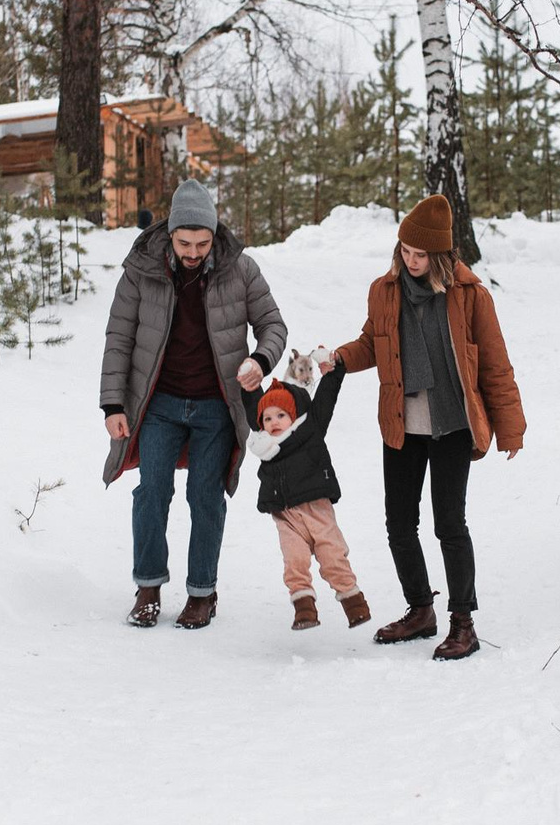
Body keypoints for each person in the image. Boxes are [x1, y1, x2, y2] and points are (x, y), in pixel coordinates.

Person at [324, 194, 524, 661]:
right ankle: (420, 610)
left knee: (449, 523)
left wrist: (509, 428)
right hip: (402, 422)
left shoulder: (470, 296)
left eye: (420, 256)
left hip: (453, 424)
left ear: (441, 257)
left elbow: (495, 365)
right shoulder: (384, 290)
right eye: (405, 253)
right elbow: (372, 342)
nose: (411, 262)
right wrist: (338, 357)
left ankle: (462, 622)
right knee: (399, 523)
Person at [99, 178, 287, 630]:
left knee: (205, 496)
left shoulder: (241, 269)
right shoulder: (141, 270)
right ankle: (147, 588)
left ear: (214, 236)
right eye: (185, 242)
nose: (194, 251)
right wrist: (112, 405)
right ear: (170, 234)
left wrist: (260, 360)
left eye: (203, 242)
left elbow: (273, 325)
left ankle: (202, 592)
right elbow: (119, 338)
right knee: (151, 492)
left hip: (215, 407)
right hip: (160, 404)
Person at [245, 365, 371, 632]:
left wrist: (333, 373)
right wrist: (250, 388)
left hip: (317, 509)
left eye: (281, 415)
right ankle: (304, 609)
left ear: (294, 415)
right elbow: (251, 405)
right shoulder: (265, 446)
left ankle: (354, 602)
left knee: (333, 555)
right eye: (267, 419)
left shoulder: (310, 431)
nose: (274, 422)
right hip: (286, 516)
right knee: (294, 561)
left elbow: (326, 399)